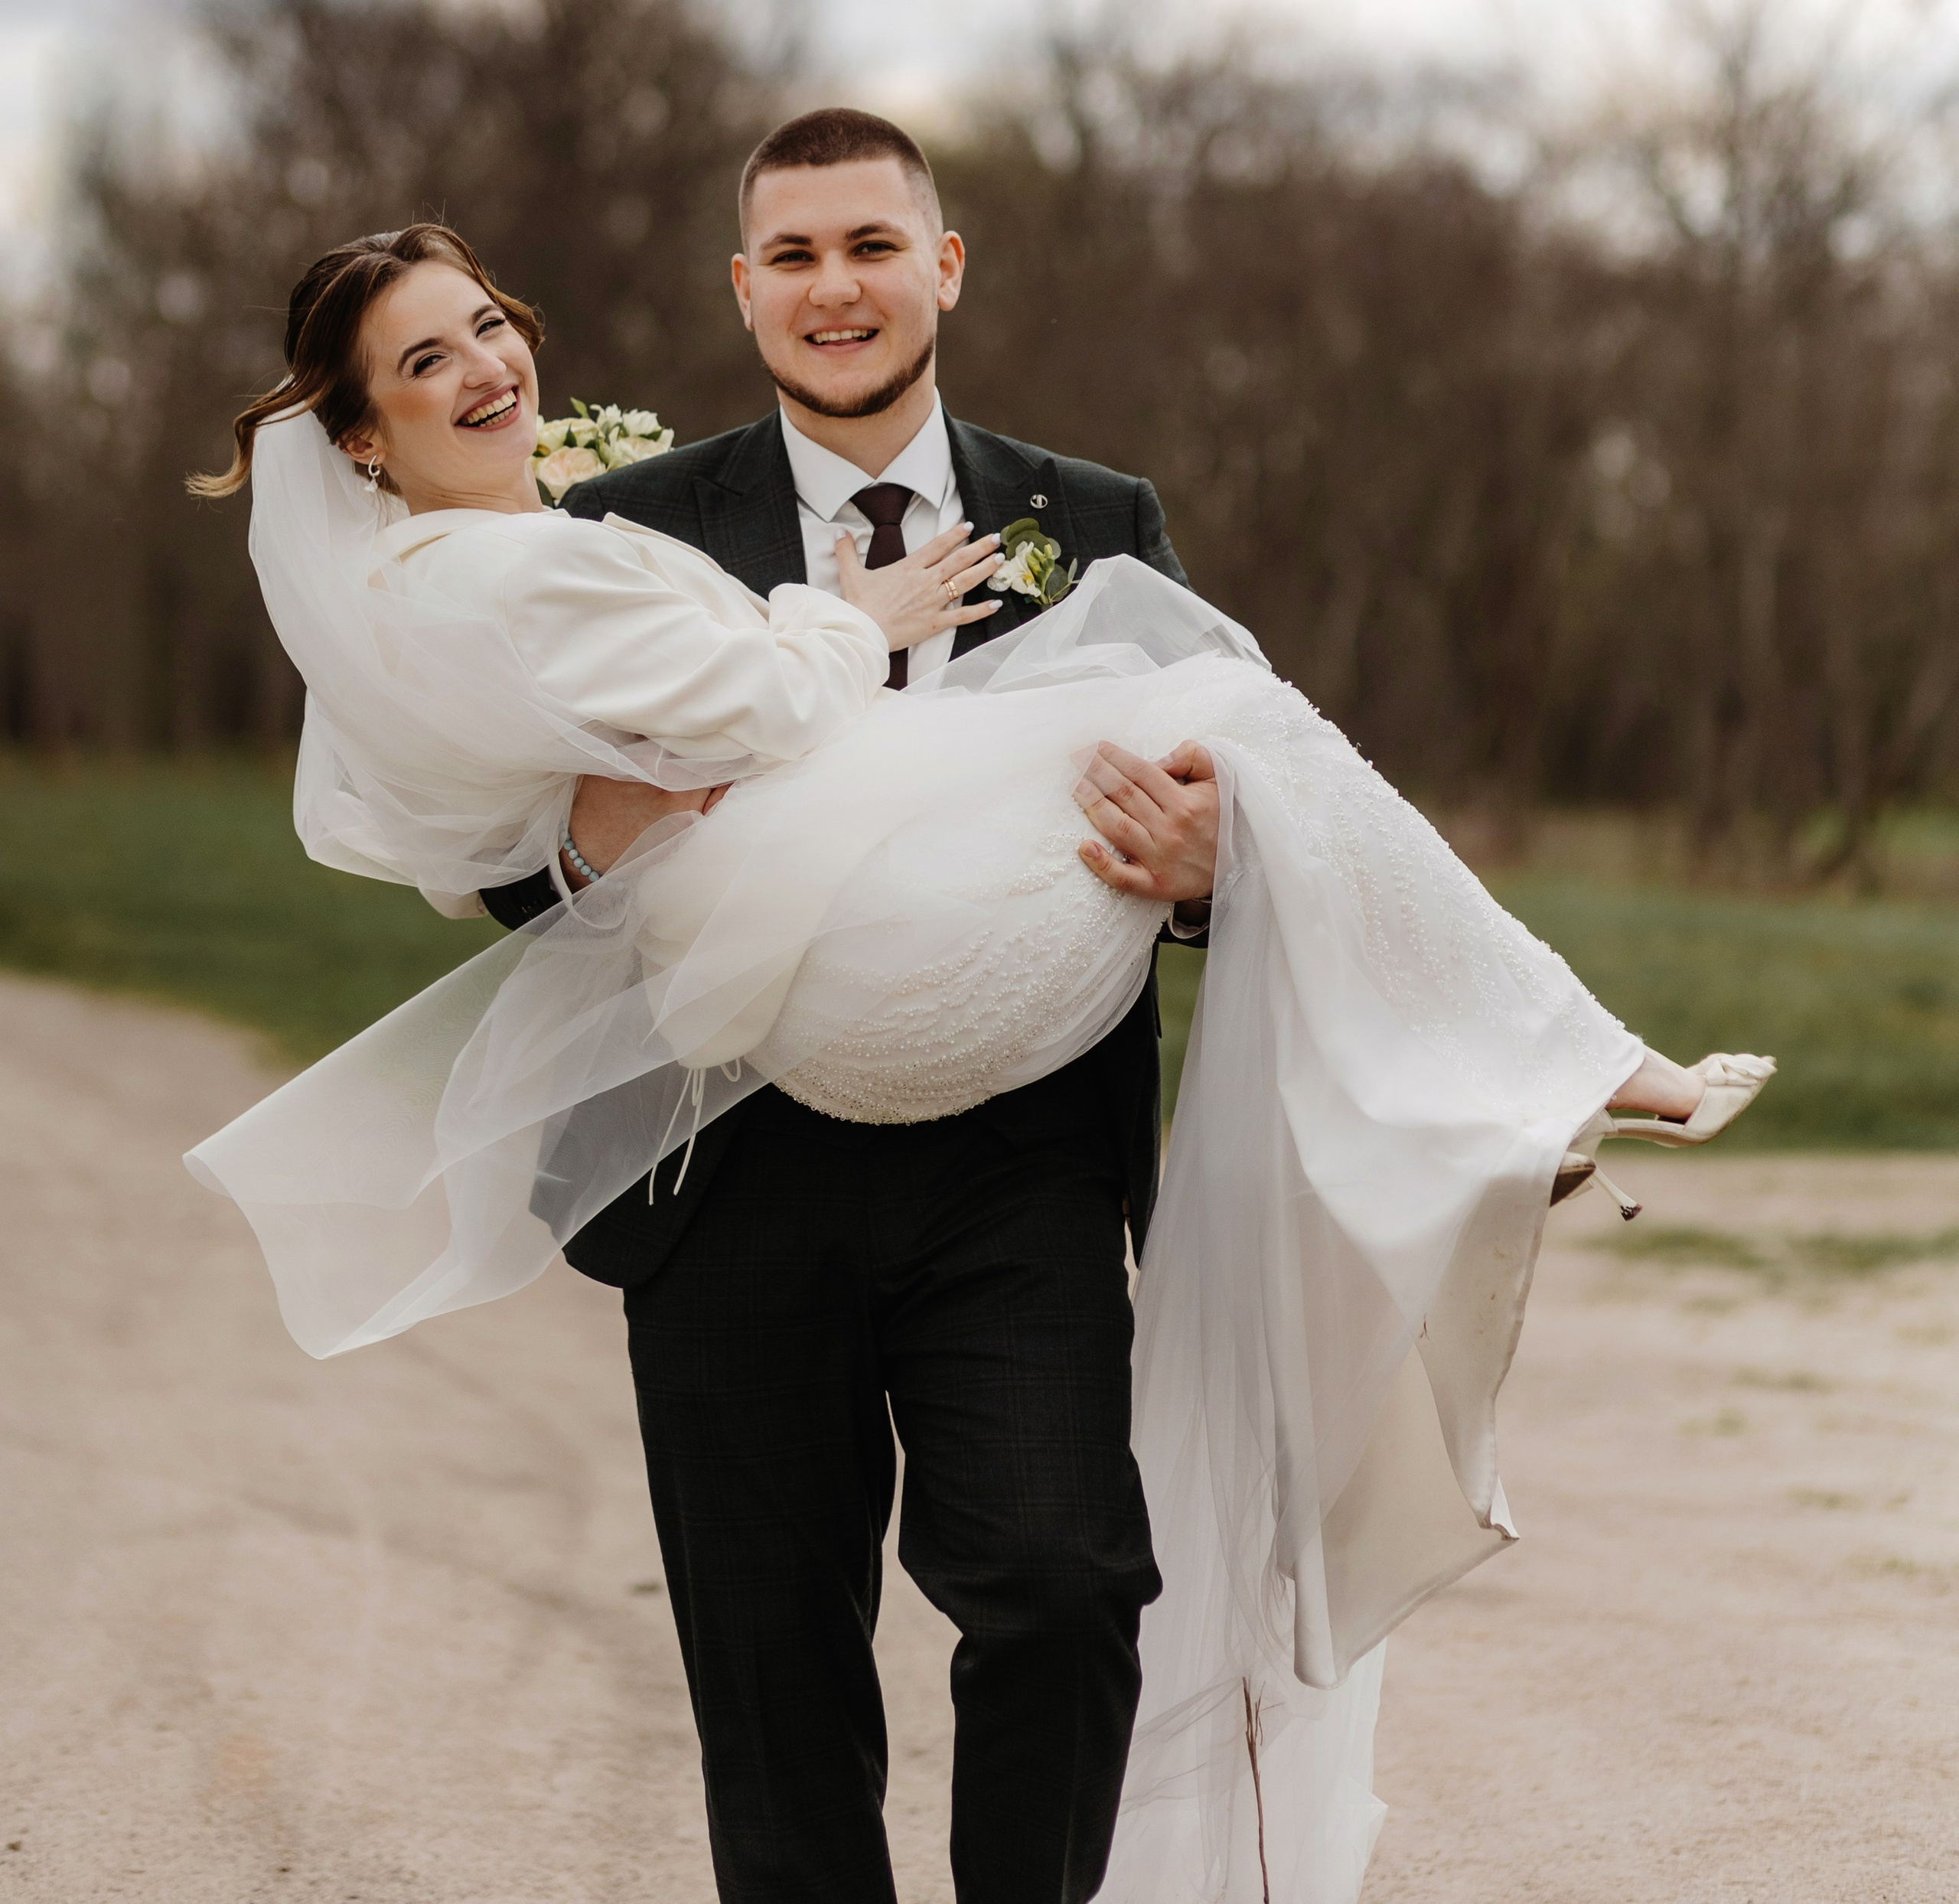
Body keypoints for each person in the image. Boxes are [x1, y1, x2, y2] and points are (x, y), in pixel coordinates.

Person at [186, 117, 1772, 1904]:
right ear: (743, 288)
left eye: (869, 245)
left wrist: (1205, 871)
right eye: (790, 255)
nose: (832, 287)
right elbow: (482, 813)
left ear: (941, 266)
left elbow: (1174, 830)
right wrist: (573, 835)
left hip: (1014, 1170)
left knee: (1068, 1584)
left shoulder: (1093, 521)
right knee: (771, 1670)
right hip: (729, 1169)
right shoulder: (617, 519)